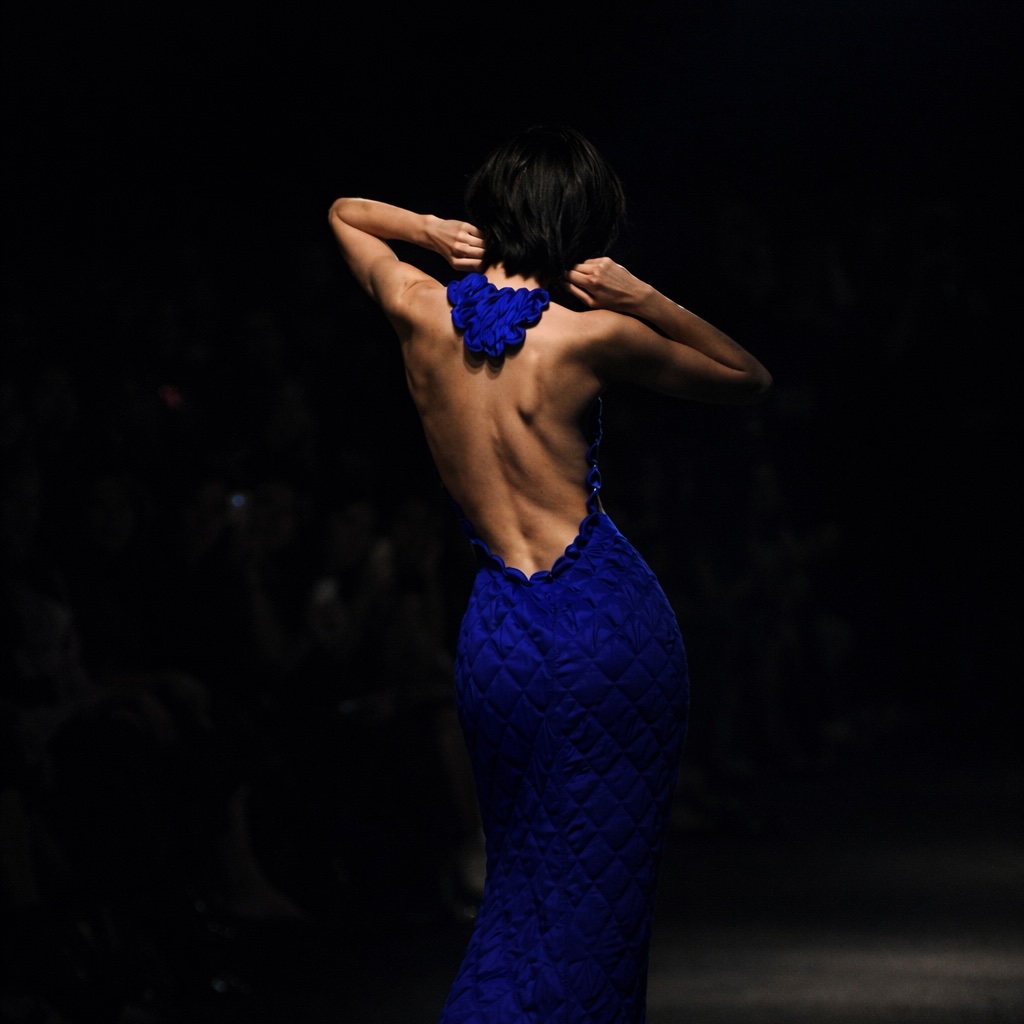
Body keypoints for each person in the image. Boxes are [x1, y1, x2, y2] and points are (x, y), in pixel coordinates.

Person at [328, 125, 771, 1023]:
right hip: (606, 626)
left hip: (497, 633)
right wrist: (639, 292)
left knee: (520, 887)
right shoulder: (585, 335)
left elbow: (344, 214)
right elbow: (746, 377)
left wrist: (426, 228)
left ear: (489, 212)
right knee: (600, 904)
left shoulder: (419, 308)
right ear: (583, 225)